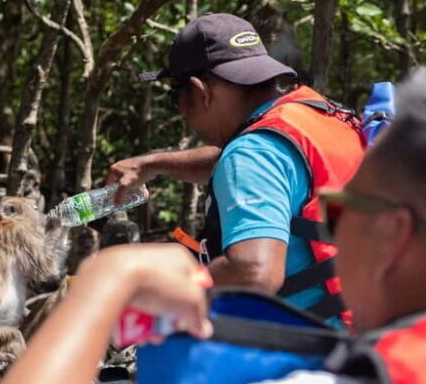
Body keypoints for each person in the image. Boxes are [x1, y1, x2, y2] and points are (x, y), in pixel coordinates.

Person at [0, 69, 426, 384]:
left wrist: (105, 284)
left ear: (391, 237)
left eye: (339, 212)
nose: (331, 229)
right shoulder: (319, 120)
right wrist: (156, 163)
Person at [107, 13, 365, 326]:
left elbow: (254, 273)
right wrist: (152, 164)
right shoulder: (317, 118)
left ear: (200, 90)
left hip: (313, 358)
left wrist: (159, 287)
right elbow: (248, 165)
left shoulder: (251, 155)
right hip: (376, 338)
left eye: (177, 98)